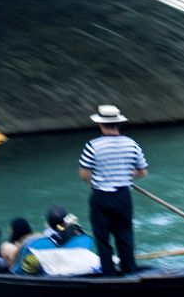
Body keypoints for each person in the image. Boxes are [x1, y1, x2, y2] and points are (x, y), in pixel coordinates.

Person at [78, 105, 148, 275]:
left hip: (101, 197)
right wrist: (125, 175)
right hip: (123, 196)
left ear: (101, 125)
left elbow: (83, 174)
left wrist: (95, 181)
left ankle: (109, 275)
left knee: (103, 238)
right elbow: (142, 171)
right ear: (118, 124)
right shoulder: (132, 144)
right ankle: (130, 272)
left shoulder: (92, 146)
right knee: (125, 236)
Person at [11, 205, 99, 275]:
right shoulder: (86, 239)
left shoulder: (34, 244)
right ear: (66, 221)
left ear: (48, 223)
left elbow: (17, 271)